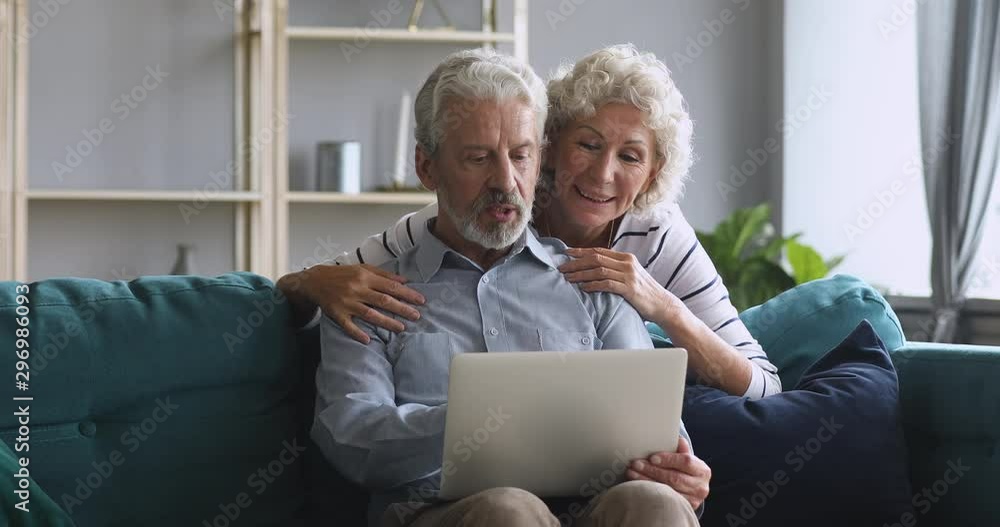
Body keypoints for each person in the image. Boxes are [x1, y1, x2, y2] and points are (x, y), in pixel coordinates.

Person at [311, 48, 708, 527]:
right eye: (478, 158)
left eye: (520, 156)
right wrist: (479, 425)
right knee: (510, 512)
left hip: (589, 507)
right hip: (443, 511)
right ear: (427, 167)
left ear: (539, 159)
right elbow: (351, 439)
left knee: (657, 504)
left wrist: (678, 471)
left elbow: (660, 432)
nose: (505, 181)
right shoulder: (370, 293)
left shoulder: (592, 282)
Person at [280, 44, 781, 399]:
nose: (603, 174)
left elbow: (761, 383)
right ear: (550, 148)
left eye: (630, 156)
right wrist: (314, 280)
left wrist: (661, 305)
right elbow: (318, 286)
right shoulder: (499, 206)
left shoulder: (656, 230)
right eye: (588, 144)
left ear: (653, 172)